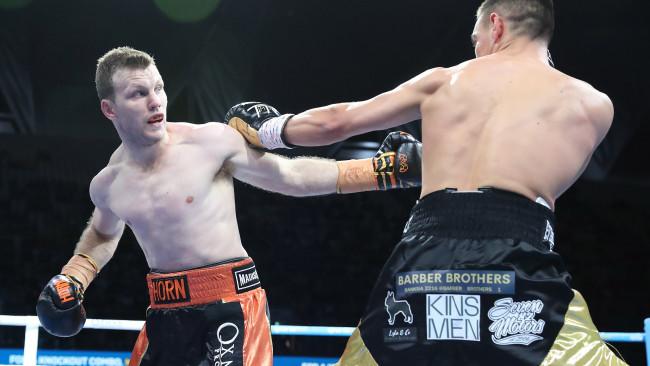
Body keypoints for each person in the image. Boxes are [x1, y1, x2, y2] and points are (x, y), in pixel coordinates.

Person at [224, 0, 628, 364]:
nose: (476, 50)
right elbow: (545, 187)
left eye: (477, 39)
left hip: (421, 263)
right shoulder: (591, 105)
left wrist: (271, 129)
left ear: (496, 25)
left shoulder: (442, 81)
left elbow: (337, 122)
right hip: (519, 267)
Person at [34, 47, 423, 366]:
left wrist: (377, 171)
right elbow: (102, 235)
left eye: (159, 87)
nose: (156, 101)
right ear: (110, 109)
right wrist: (74, 278)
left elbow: (290, 177)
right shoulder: (108, 184)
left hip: (231, 304)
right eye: (139, 94)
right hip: (164, 312)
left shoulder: (209, 143)